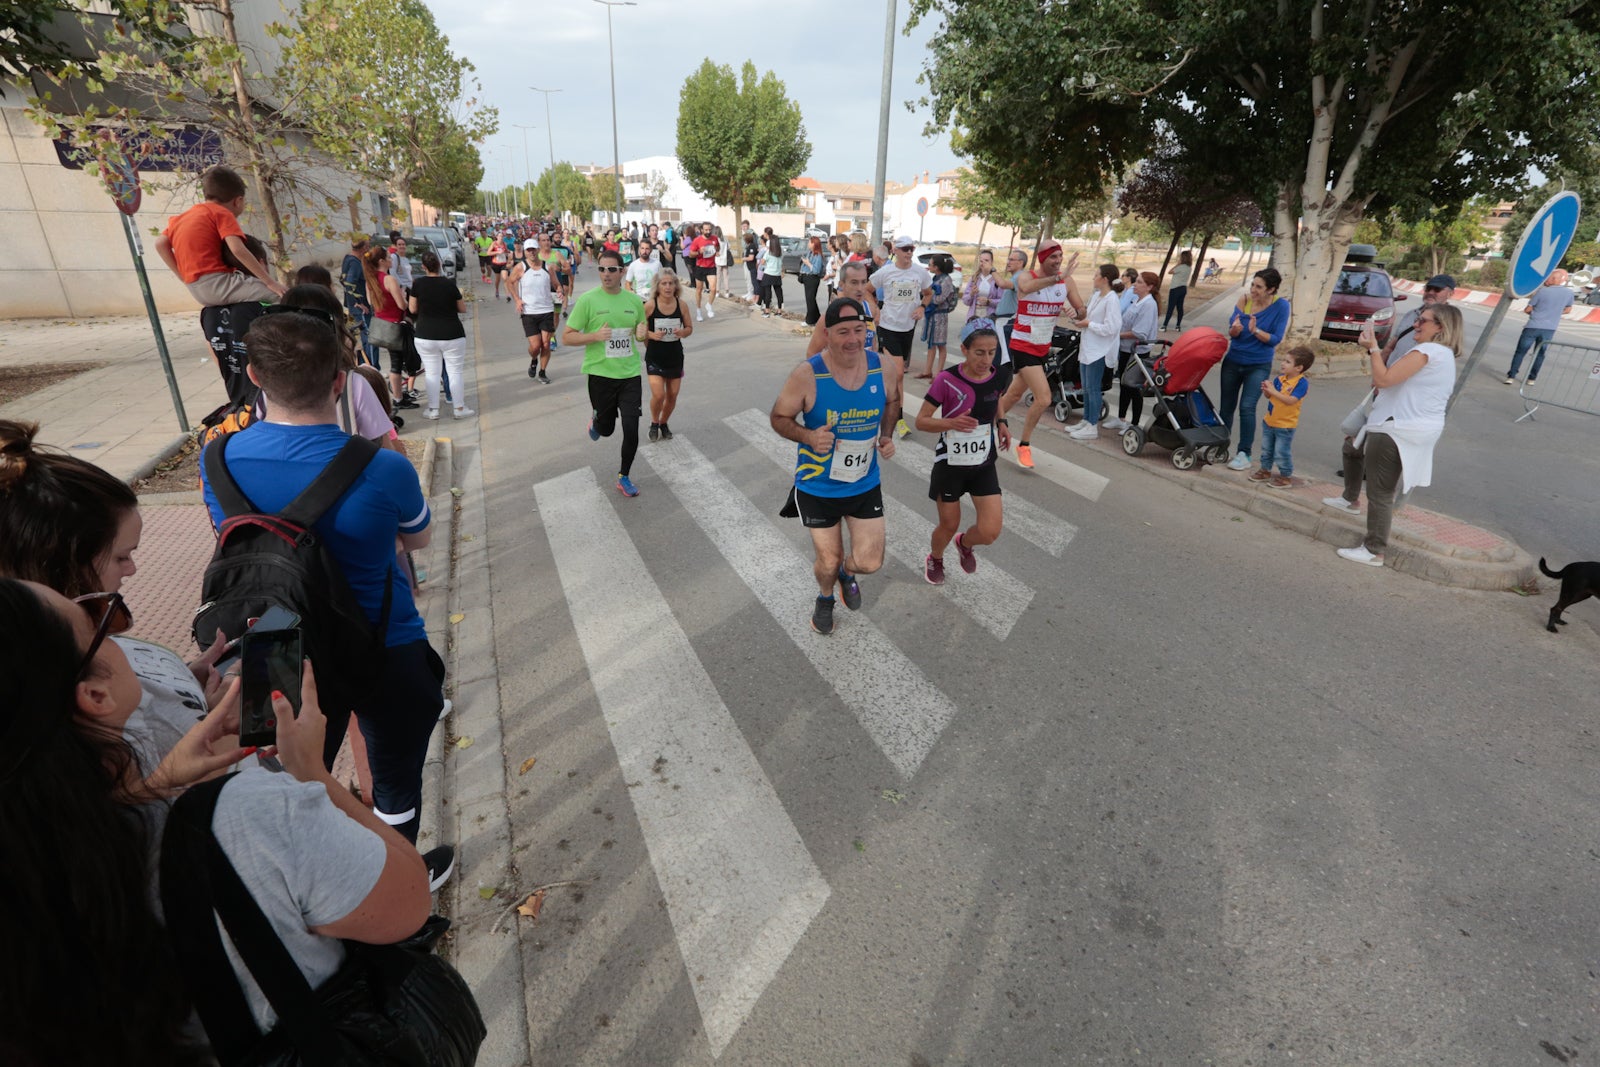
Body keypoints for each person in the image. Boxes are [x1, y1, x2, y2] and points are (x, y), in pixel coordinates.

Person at [0, 578, 436, 1064]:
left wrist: (150, 787)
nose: (123, 636)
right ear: (94, 695)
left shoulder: (31, 859)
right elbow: (410, 901)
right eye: (99, 624)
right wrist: (311, 774)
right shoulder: (248, 814)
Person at [200, 312, 448, 859]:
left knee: (286, 780)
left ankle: (315, 887)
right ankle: (400, 876)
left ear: (258, 379)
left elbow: (234, 537)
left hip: (272, 640)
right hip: (385, 642)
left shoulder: (216, 459)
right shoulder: (383, 468)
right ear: (341, 381)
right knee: (396, 782)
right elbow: (420, 538)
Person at [0, 421, 230, 778]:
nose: (133, 569)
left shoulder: (42, 649)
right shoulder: (42, 696)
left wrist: (182, 684)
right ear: (64, 563)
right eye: (122, 556)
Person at [770, 297, 901, 635]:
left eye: (860, 330)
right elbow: (779, 418)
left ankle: (848, 572)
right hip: (818, 486)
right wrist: (809, 437)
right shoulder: (807, 374)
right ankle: (825, 596)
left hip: (863, 482)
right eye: (843, 332)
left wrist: (886, 435)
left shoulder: (883, 366)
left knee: (870, 562)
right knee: (826, 561)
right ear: (827, 333)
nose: (853, 339)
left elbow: (893, 400)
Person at [1327, 305, 1463, 567]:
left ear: (1440, 328)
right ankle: (1349, 499)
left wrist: (1374, 349)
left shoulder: (1427, 350)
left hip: (1397, 428)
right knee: (1352, 448)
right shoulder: (1442, 355)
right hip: (1403, 425)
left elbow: (1384, 380)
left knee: (1380, 492)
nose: (1416, 325)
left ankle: (1374, 549)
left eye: (1423, 321)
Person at [914, 320, 1011, 585]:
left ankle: (965, 544)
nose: (986, 359)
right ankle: (935, 557)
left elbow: (997, 396)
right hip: (950, 465)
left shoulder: (999, 374)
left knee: (990, 531)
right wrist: (951, 423)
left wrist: (1001, 422)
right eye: (979, 352)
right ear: (965, 349)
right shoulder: (947, 380)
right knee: (948, 524)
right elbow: (921, 421)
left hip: (983, 462)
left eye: (992, 352)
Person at [562, 249, 648, 497]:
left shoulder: (634, 301)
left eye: (611, 270)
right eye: (602, 269)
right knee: (607, 429)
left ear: (622, 272)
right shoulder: (588, 300)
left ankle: (624, 476)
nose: (606, 274)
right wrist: (595, 336)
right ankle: (597, 420)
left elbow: (640, 334)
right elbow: (567, 337)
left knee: (631, 428)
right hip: (600, 375)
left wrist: (642, 335)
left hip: (629, 374)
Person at [997, 239, 1085, 467]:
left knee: (1015, 394)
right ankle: (1024, 445)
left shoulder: (1067, 281)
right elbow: (1025, 289)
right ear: (1042, 258)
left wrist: (1076, 312)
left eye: (1060, 257)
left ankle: (985, 420)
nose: (1058, 261)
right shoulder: (1027, 277)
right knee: (1044, 397)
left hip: (1042, 347)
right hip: (1022, 344)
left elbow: (1080, 309)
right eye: (1053, 257)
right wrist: (1058, 277)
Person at [154, 164, 285, 307]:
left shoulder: (181, 218)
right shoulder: (222, 213)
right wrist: (270, 282)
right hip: (217, 283)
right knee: (280, 296)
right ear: (238, 201)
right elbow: (237, 250)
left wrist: (183, 277)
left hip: (195, 289)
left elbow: (160, 244)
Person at [1219, 267, 1291, 470]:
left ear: (1271, 290)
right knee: (1226, 407)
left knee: (1247, 408)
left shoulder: (1281, 306)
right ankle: (1220, 446)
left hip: (1258, 364)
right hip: (1233, 360)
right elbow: (1232, 331)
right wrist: (1235, 330)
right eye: (1253, 284)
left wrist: (1256, 330)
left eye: (1259, 287)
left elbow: (1275, 339)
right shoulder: (1244, 300)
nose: (1253, 289)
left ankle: (1244, 454)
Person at [409, 250, 472, 420]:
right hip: (452, 334)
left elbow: (412, 309)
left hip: (425, 334)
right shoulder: (449, 284)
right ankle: (459, 408)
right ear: (440, 265)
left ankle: (433, 410)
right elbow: (463, 308)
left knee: (432, 373)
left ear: (423, 267)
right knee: (455, 372)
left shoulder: (418, 284)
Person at [1068, 264, 1122, 441]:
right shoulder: (1097, 295)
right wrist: (1077, 318)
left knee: (1093, 389)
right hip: (1088, 347)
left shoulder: (1112, 299)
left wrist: (1088, 324)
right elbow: (1087, 317)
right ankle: (1086, 420)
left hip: (1099, 350)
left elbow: (1112, 328)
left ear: (1105, 279)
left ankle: (1092, 425)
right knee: (1085, 387)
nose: (1093, 277)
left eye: (1096, 275)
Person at [1248, 345, 1313, 487]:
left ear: (1299, 368)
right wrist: (1267, 390)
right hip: (1270, 421)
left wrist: (1273, 391)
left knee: (1281, 452)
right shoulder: (1279, 379)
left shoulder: (1301, 383)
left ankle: (1285, 476)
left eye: (1288, 362)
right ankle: (1265, 470)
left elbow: (1290, 401)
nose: (1283, 364)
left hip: (1285, 425)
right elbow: (1270, 396)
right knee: (1266, 449)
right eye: (1284, 360)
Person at [641, 270, 693, 442]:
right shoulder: (650, 305)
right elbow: (638, 331)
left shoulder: (682, 305)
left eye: (671, 283)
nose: (668, 287)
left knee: (672, 395)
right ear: (657, 286)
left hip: (675, 356)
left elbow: (689, 328)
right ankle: (654, 422)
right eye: (664, 283)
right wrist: (651, 335)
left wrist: (683, 332)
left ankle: (664, 423)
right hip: (655, 356)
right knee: (659, 395)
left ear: (676, 286)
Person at [1106, 270, 1160, 434]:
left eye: (1140, 282)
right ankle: (1121, 418)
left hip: (1137, 352)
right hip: (1125, 348)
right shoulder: (1137, 300)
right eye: (1136, 281)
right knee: (1124, 384)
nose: (1135, 285)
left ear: (1149, 287)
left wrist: (1117, 334)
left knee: (1134, 388)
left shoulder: (1149, 305)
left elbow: (1140, 332)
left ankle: (1134, 424)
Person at [361, 244, 413, 410]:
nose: (392, 260)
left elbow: (371, 303)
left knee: (395, 362)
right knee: (399, 363)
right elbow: (402, 305)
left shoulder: (371, 281)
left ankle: (399, 395)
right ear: (382, 261)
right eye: (389, 258)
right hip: (396, 325)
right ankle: (398, 397)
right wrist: (404, 296)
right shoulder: (389, 279)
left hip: (382, 326)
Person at [870, 235, 935, 368]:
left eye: (911, 249)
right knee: (897, 371)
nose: (909, 252)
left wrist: (922, 307)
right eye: (906, 249)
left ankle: (889, 388)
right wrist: (875, 309)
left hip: (908, 327)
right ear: (896, 251)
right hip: (887, 325)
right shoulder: (886, 272)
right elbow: (865, 290)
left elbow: (928, 293)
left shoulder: (920, 272)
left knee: (898, 371)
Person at [1506, 269, 1574, 384]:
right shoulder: (1569, 293)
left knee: (1520, 352)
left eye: (1548, 278)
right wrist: (1555, 312)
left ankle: (1511, 376)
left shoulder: (1542, 291)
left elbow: (1528, 309)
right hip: (1550, 329)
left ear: (1554, 279)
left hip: (1532, 326)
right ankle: (1531, 379)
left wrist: (1535, 313)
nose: (1545, 280)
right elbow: (1568, 310)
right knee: (1540, 354)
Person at [509, 238, 558, 383]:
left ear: (538, 250)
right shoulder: (520, 267)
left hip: (546, 310)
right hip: (529, 311)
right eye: (528, 250)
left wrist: (560, 290)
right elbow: (510, 282)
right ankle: (533, 359)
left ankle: (542, 372)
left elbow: (555, 283)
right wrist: (517, 299)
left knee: (546, 344)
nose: (531, 252)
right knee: (536, 346)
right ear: (525, 251)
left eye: (533, 249)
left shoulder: (547, 266)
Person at [1382, 273, 1454, 365]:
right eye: (1428, 288)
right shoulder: (1411, 314)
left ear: (1450, 294)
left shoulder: (1449, 323)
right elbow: (1390, 346)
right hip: (1389, 374)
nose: (1430, 293)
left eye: (1437, 289)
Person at [919, 255, 961, 380]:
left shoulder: (946, 280)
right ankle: (927, 371)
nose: (929, 267)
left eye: (931, 264)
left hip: (940, 316)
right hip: (933, 315)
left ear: (936, 267)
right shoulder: (937, 278)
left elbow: (939, 299)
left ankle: (938, 373)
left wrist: (928, 295)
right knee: (931, 344)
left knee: (940, 344)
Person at [338, 237, 377, 367]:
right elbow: (349, 283)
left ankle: (359, 364)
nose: (369, 248)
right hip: (359, 309)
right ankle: (369, 367)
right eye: (368, 246)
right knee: (367, 338)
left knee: (353, 337)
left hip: (351, 306)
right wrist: (358, 302)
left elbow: (342, 280)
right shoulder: (355, 263)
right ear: (363, 248)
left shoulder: (347, 259)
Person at [687, 222, 720, 321]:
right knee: (699, 290)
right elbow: (690, 254)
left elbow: (717, 247)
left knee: (713, 289)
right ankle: (698, 311)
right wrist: (698, 252)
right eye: (706, 230)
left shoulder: (714, 238)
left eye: (710, 230)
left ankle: (709, 305)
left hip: (711, 267)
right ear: (702, 230)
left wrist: (717, 251)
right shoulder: (697, 240)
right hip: (700, 267)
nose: (708, 232)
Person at [962, 249, 1002, 322]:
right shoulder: (974, 278)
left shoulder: (997, 280)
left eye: (986, 260)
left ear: (992, 262)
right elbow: (965, 301)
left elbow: (1002, 301)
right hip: (974, 315)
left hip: (989, 316)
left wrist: (989, 301)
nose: (983, 263)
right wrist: (971, 294)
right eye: (981, 261)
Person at [798, 235, 827, 326]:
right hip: (807, 278)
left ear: (814, 244)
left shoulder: (817, 255)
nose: (808, 244)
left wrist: (808, 263)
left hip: (812, 279)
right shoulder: (810, 253)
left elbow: (816, 270)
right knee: (811, 300)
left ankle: (809, 321)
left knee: (810, 300)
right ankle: (817, 319)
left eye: (809, 242)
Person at [625, 238, 660, 306]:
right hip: (639, 301)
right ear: (639, 249)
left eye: (647, 249)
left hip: (654, 301)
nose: (644, 251)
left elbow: (662, 281)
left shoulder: (657, 264)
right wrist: (631, 293)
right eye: (642, 248)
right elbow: (627, 283)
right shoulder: (633, 265)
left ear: (651, 250)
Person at [1163, 250, 1193, 331]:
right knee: (1180, 307)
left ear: (1182, 258)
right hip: (1183, 288)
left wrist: (1177, 264)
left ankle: (1164, 325)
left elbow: (1169, 272)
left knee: (1171, 307)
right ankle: (1178, 326)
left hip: (1175, 288)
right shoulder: (1189, 268)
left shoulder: (1180, 267)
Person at [761, 235, 785, 315]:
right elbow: (781, 263)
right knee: (779, 292)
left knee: (767, 292)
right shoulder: (780, 252)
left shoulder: (768, 252)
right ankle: (779, 310)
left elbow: (762, 262)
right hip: (777, 274)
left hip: (768, 274)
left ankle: (767, 310)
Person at [488, 232, 510, 300]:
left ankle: (507, 294)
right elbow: (488, 253)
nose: (501, 238)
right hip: (496, 264)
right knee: (498, 279)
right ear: (497, 237)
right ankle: (497, 290)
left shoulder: (504, 244)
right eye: (500, 236)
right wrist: (497, 252)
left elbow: (506, 251)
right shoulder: (494, 244)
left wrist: (509, 252)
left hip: (503, 263)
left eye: (502, 236)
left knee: (505, 278)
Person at [744, 231, 762, 303]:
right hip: (751, 267)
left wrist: (743, 258)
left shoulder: (751, 246)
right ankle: (755, 297)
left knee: (755, 283)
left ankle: (757, 299)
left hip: (753, 267)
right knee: (754, 283)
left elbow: (751, 258)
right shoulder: (750, 245)